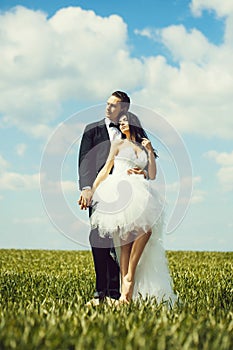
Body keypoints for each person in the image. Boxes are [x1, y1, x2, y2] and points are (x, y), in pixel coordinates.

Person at [90, 112, 177, 305]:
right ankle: (126, 290)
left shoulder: (143, 146)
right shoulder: (118, 144)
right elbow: (106, 169)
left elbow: (152, 174)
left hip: (140, 190)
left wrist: (149, 154)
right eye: (119, 122)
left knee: (145, 230)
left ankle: (129, 274)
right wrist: (92, 191)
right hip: (120, 188)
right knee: (123, 239)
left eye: (124, 121)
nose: (121, 124)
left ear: (133, 123)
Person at [78, 91, 145, 306]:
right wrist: (87, 188)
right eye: (107, 104)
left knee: (126, 242)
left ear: (124, 108)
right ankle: (103, 293)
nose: (108, 108)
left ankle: (122, 293)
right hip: (101, 191)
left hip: (131, 195)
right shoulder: (92, 129)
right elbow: (84, 161)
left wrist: (143, 172)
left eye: (114, 105)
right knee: (99, 238)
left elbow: (147, 157)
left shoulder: (134, 128)